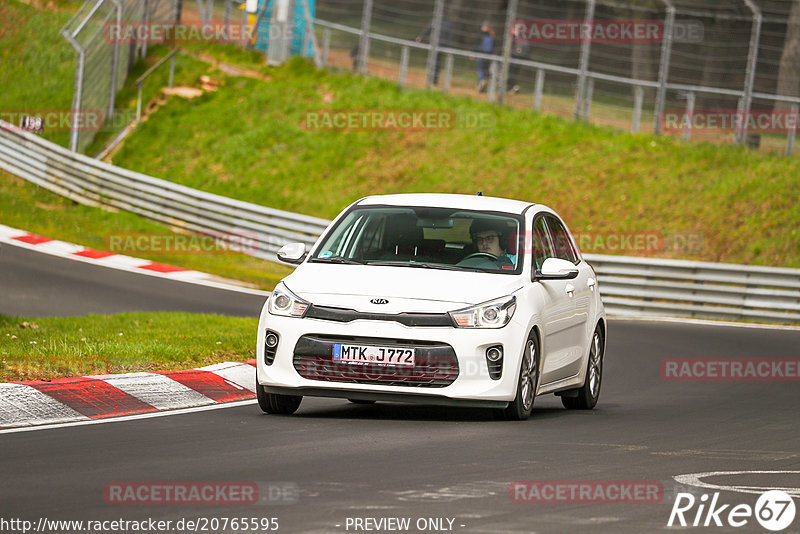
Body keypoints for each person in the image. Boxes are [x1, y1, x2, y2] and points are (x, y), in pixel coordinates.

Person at [416, 14, 454, 86]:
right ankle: (432, 79)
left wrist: (448, 47)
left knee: (435, 63)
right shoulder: (436, 21)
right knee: (435, 63)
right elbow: (428, 29)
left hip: (440, 45)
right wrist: (421, 37)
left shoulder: (445, 23)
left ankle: (433, 80)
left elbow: (449, 36)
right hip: (435, 45)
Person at [475, 22, 495, 93]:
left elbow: (477, 44)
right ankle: (483, 82)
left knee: (480, 70)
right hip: (488, 55)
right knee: (485, 70)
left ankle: (482, 81)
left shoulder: (482, 34)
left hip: (481, 55)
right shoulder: (492, 35)